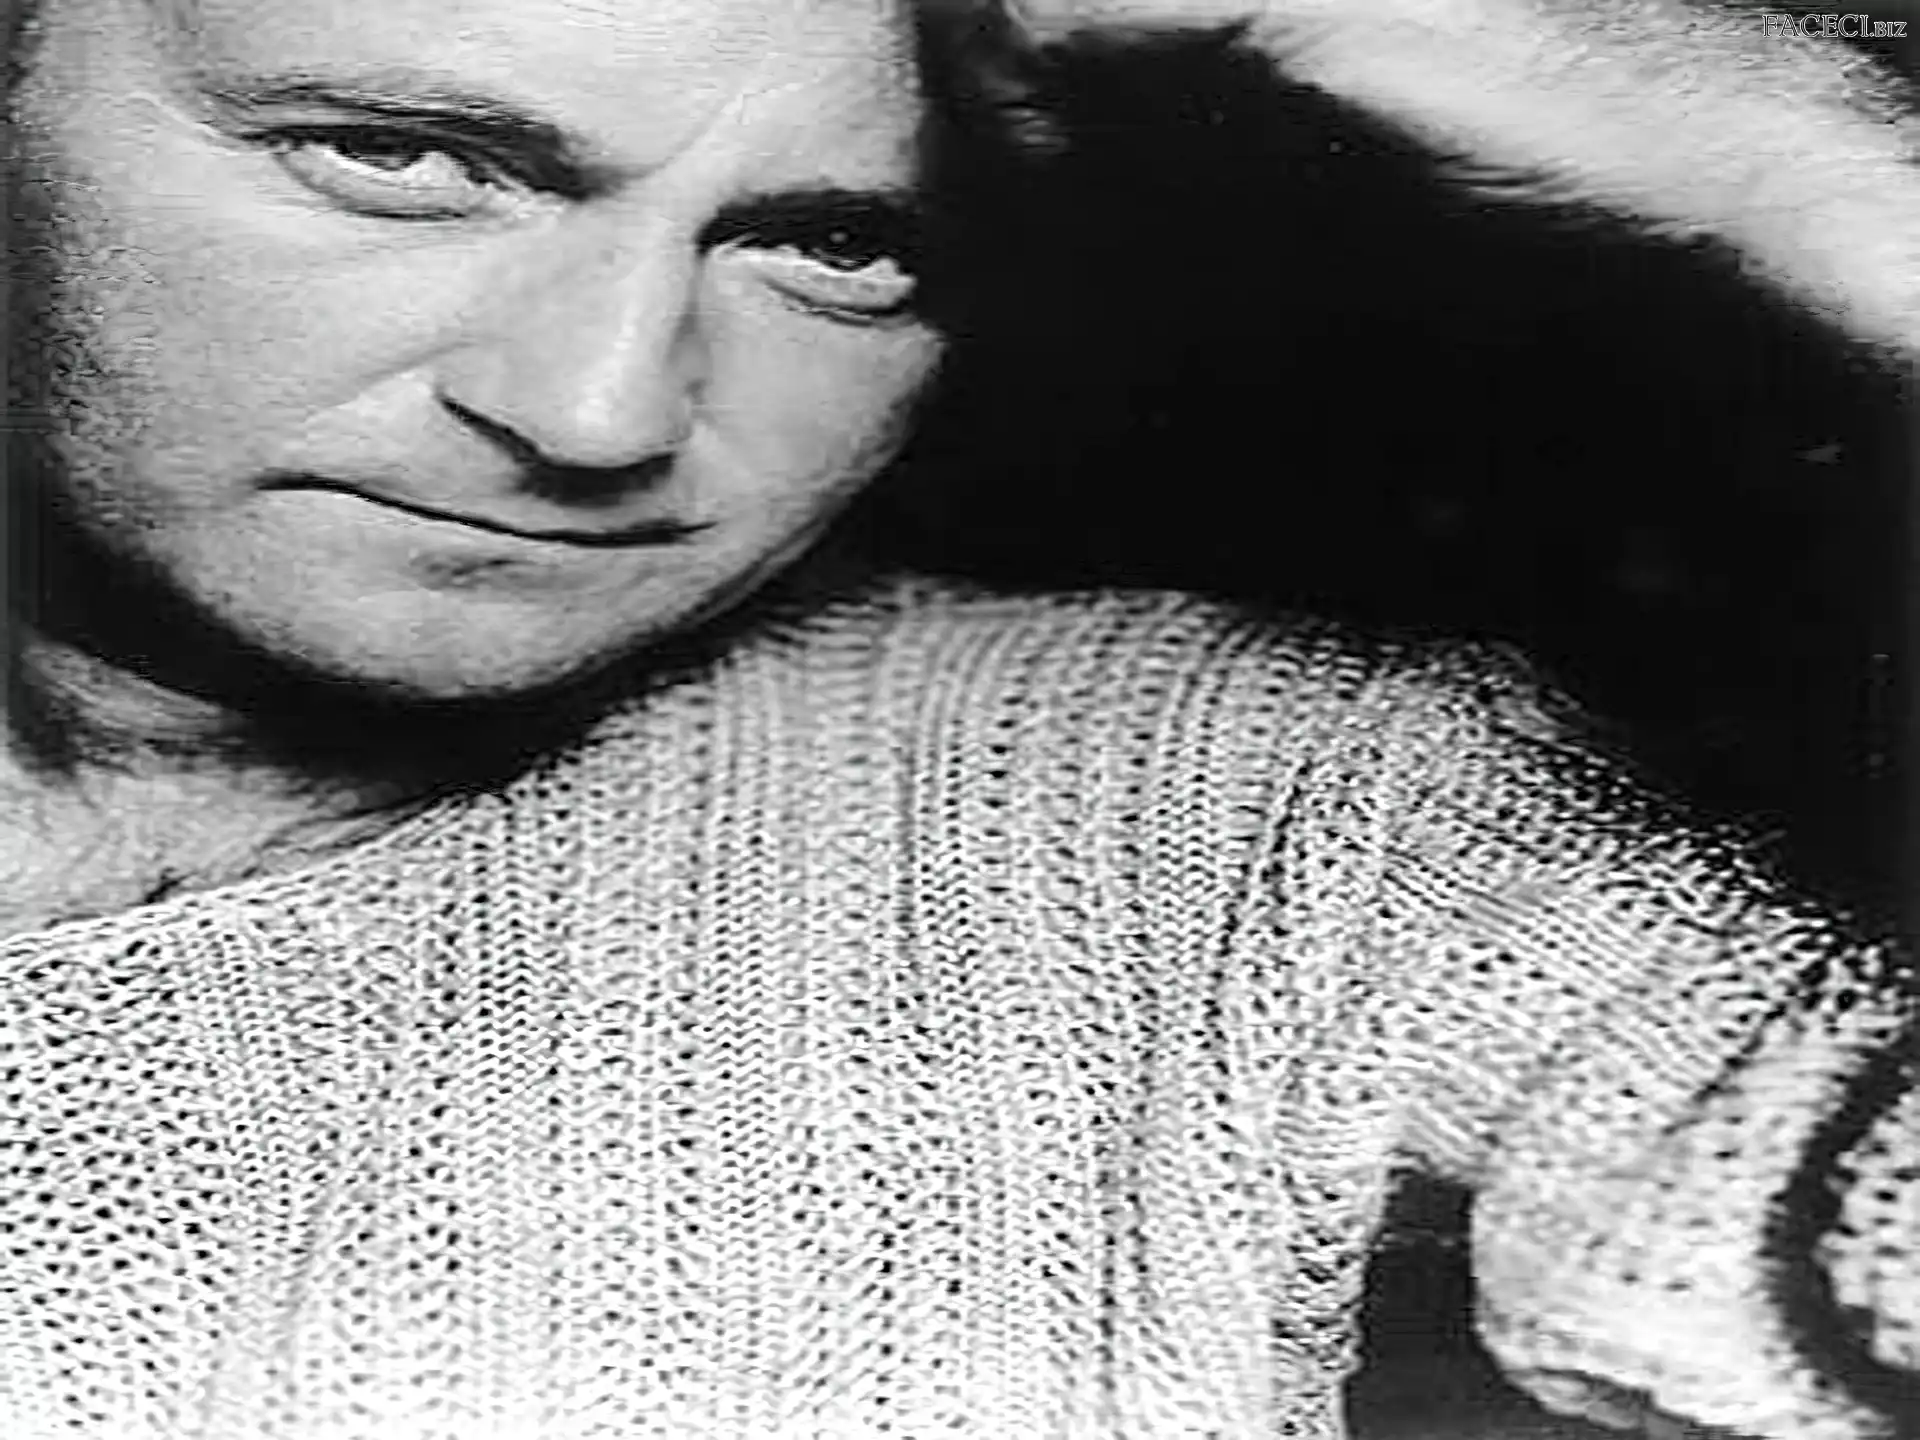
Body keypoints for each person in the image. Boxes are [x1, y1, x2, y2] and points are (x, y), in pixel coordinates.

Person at [0, 0, 1914, 1437]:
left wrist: (1801, 184)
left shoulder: (1259, 812)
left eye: (842, 249)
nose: (600, 412)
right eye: (401, 156)